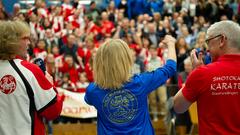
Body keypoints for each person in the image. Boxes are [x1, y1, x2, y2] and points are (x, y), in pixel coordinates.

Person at [84, 36, 177, 135]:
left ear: (99, 62)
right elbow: (170, 68)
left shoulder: (92, 91)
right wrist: (171, 43)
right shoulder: (141, 82)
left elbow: (89, 100)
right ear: (126, 60)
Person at [173, 20, 240, 135]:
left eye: (208, 41)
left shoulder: (202, 74)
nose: (207, 49)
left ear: (222, 40)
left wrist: (195, 73)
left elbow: (178, 106)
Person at [0, 20, 64, 135]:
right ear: (11, 41)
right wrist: (51, 85)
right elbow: (53, 111)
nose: (29, 42)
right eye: (25, 38)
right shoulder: (29, 70)